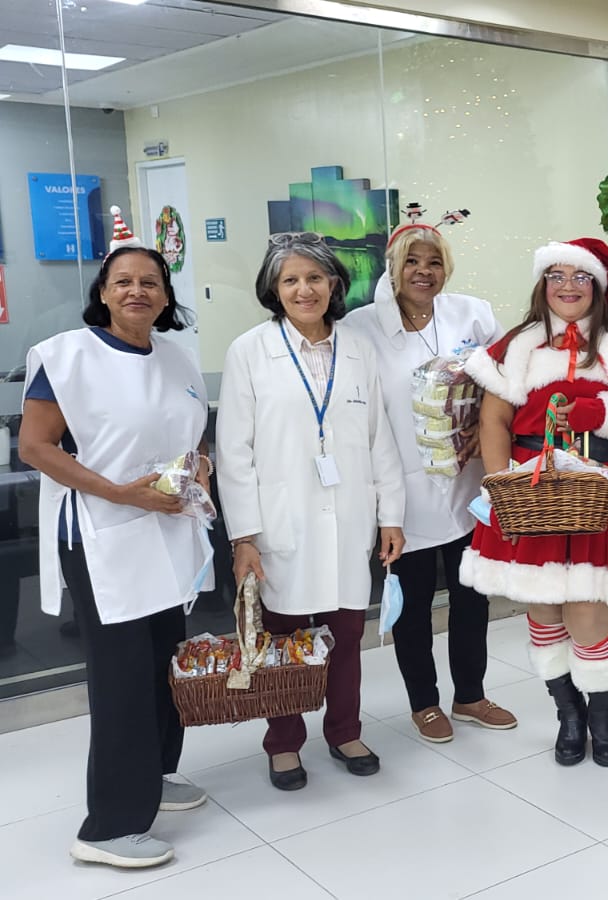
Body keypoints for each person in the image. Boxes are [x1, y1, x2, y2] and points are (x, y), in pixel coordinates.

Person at [18, 209, 211, 868]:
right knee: (122, 676)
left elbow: (189, 435)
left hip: (168, 529)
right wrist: (121, 492)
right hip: (103, 535)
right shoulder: (66, 357)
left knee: (164, 662)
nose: (137, 291)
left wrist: (200, 468)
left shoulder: (178, 358)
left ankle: (155, 772)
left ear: (165, 296)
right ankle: (108, 826)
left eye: (150, 282)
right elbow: (36, 446)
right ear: (103, 291)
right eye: (123, 281)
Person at [459, 238, 608, 768]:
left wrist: (598, 414)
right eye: (556, 275)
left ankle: (602, 713)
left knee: (588, 606)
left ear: (597, 285)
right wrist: (501, 492)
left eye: (580, 276)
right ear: (543, 284)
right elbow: (494, 421)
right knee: (543, 602)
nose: (568, 286)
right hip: (533, 489)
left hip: (601, 491)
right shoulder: (517, 345)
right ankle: (567, 712)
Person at [217, 232, 407, 792]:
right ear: (274, 289)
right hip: (281, 520)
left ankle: (345, 731)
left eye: (315, 278)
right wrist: (244, 536)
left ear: (333, 284)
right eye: (291, 280)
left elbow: (379, 438)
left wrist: (390, 514)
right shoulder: (249, 351)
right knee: (283, 640)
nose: (305, 290)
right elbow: (234, 452)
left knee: (346, 634)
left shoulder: (358, 349)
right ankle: (283, 742)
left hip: (348, 516)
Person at [344, 211, 516, 744]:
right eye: (412, 262)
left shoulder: (472, 314)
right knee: (413, 604)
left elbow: (504, 382)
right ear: (393, 268)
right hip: (403, 490)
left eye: (434, 262)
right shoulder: (361, 329)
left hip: (467, 484)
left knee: (471, 597)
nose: (423, 271)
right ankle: (424, 702)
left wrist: (486, 434)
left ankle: (470, 695)